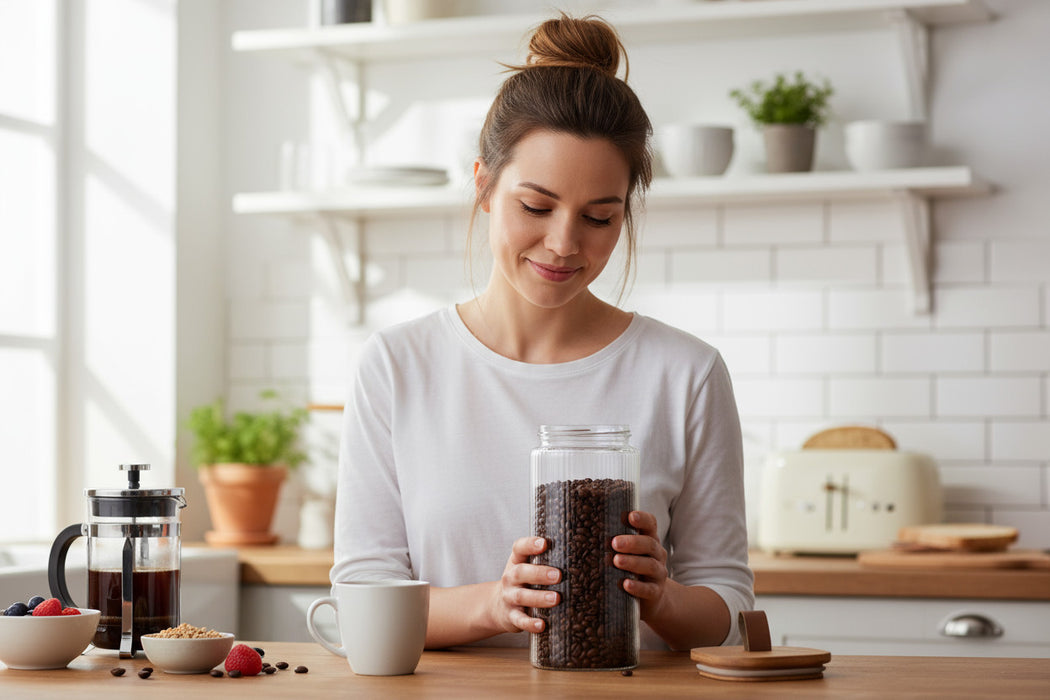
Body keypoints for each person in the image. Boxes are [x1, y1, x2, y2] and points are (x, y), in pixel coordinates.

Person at [332, 12, 753, 652]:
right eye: (536, 206)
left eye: (599, 217)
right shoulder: (398, 364)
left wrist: (663, 599)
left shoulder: (685, 373)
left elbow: (728, 605)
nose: (563, 244)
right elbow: (362, 597)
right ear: (483, 186)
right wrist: (495, 605)